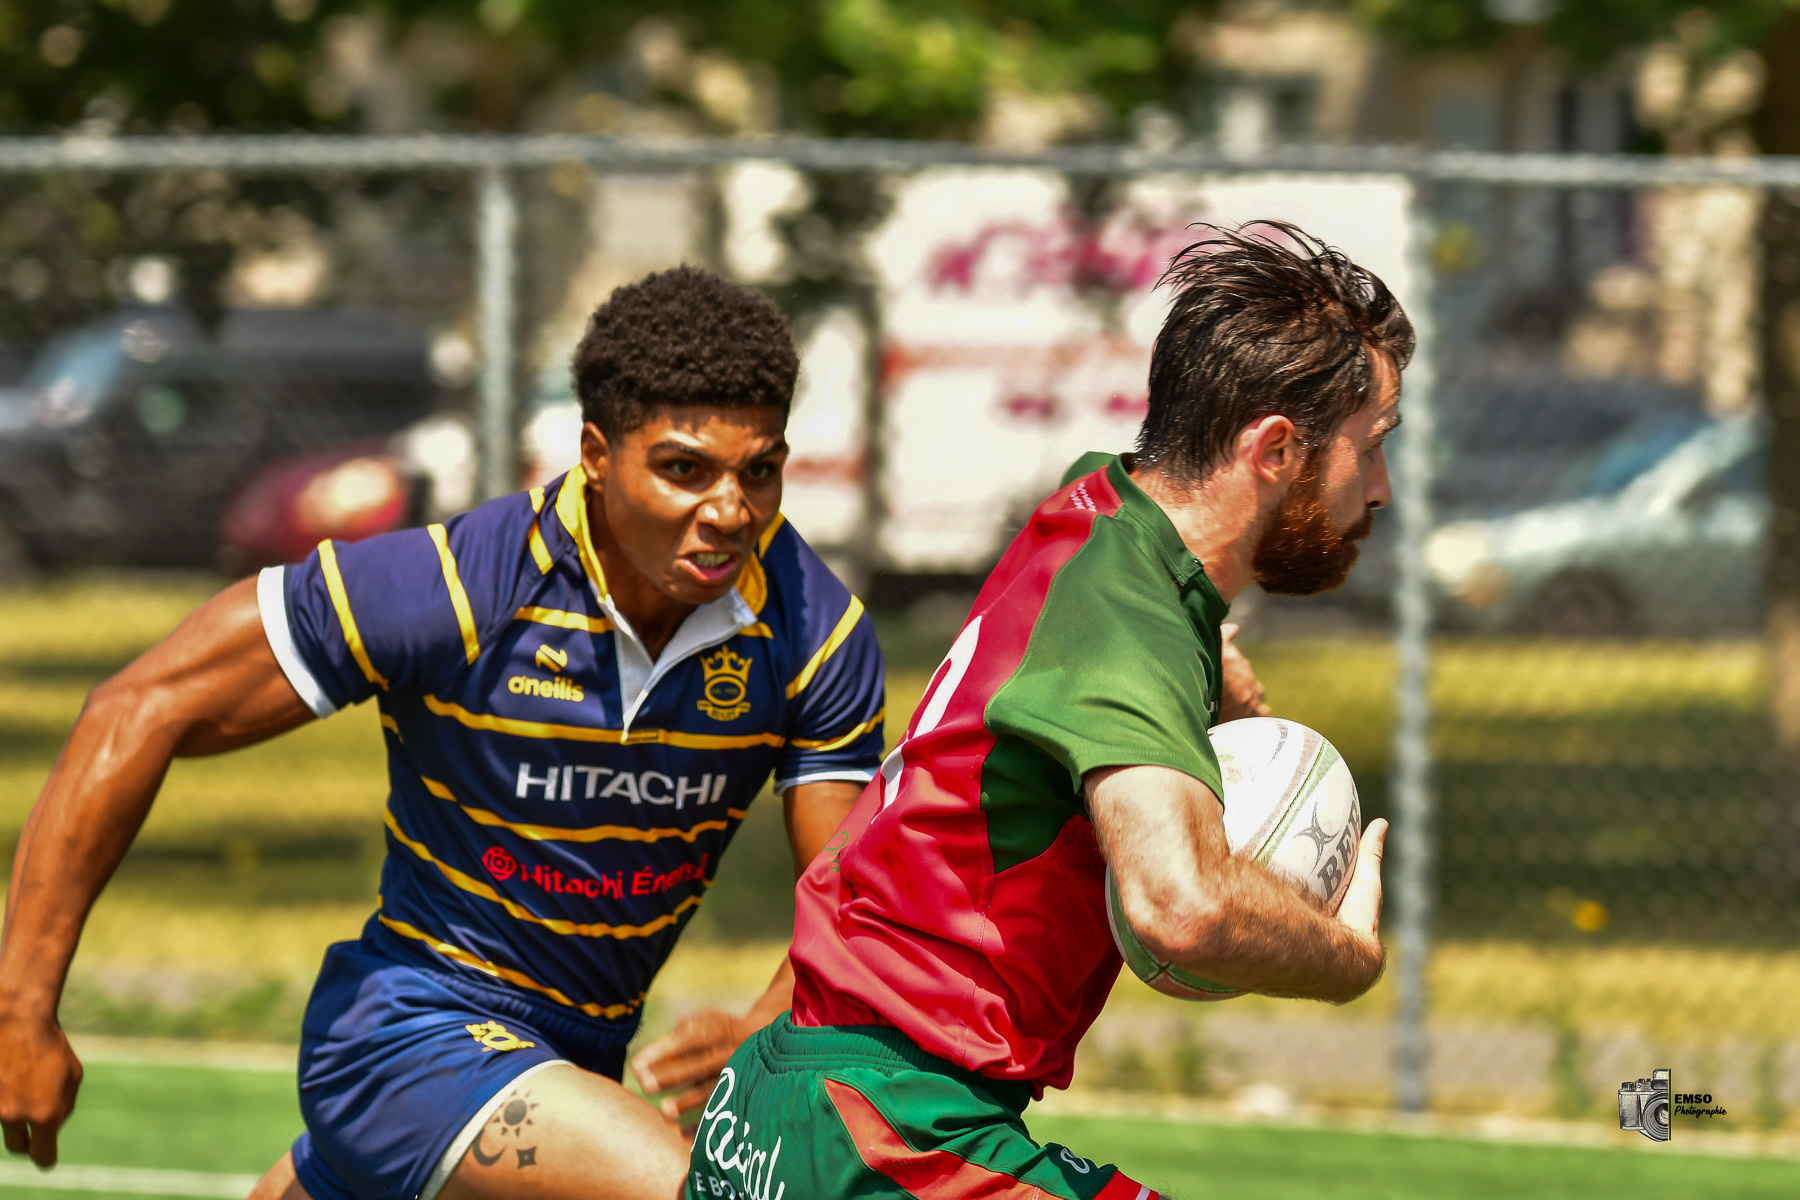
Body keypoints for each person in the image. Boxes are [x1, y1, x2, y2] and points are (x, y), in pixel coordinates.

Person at [0, 267, 886, 1200]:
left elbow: (854, 903)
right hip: (406, 1037)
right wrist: (21, 1011)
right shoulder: (464, 585)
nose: (729, 511)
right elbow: (139, 706)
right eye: (682, 469)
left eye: (760, 470)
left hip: (575, 1066)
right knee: (701, 1191)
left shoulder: (811, 633)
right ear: (595, 452)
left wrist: (768, 1035)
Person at [685, 223, 1411, 1200]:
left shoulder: (1096, 511)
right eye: (1370, 449)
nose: (1383, 488)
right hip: (885, 1132)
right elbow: (1180, 908)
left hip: (792, 1097)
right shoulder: (1127, 624)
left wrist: (1200, 668)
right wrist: (1347, 959)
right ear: (1276, 448)